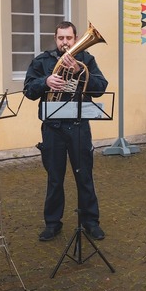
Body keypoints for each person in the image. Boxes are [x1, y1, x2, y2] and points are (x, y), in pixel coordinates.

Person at [24, 21, 109, 241]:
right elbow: (28, 90)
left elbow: (101, 88)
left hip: (79, 127)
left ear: (76, 38)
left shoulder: (86, 60)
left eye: (69, 38)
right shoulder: (42, 61)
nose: (65, 42)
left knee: (85, 177)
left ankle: (90, 222)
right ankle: (52, 224)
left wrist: (81, 70)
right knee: (54, 178)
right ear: (56, 39)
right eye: (61, 38)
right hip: (53, 128)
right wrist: (46, 81)